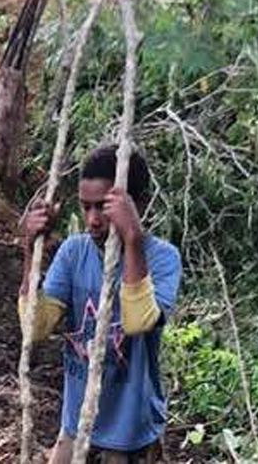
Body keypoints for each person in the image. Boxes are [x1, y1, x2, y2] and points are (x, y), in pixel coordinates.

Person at [18, 144, 182, 464]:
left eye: (103, 208)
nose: (92, 221)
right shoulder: (73, 252)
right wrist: (30, 250)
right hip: (77, 424)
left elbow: (137, 321)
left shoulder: (162, 258)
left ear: (139, 205)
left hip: (128, 434)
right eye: (85, 207)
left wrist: (132, 238)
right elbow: (34, 328)